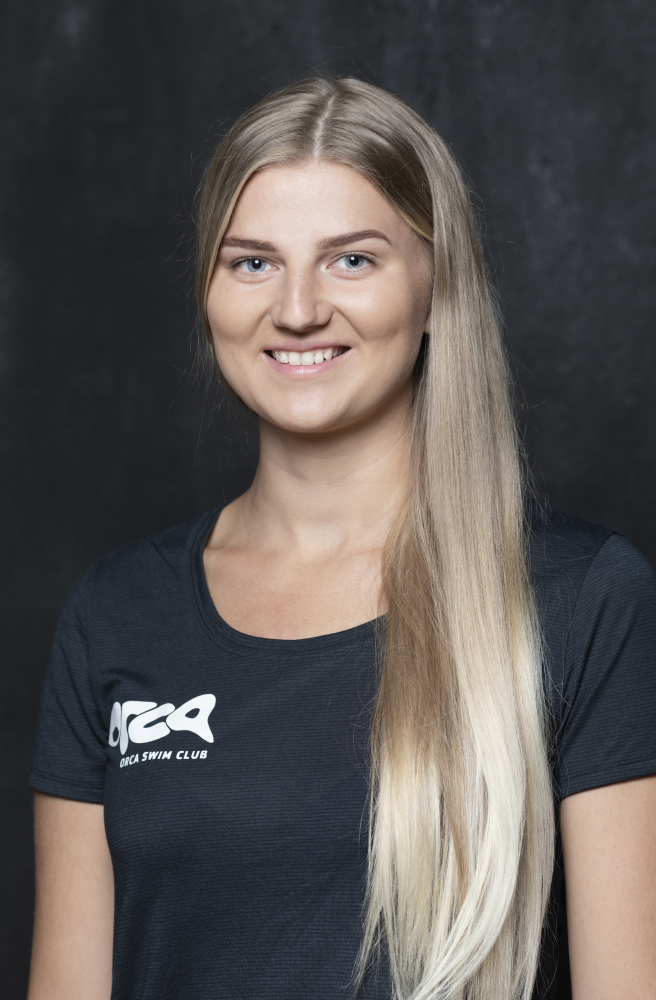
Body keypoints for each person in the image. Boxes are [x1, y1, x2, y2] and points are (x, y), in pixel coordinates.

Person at [27, 76, 656, 1000]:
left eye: (351, 260)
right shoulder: (116, 612)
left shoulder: (584, 596)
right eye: (253, 263)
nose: (297, 309)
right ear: (208, 291)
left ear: (436, 288)